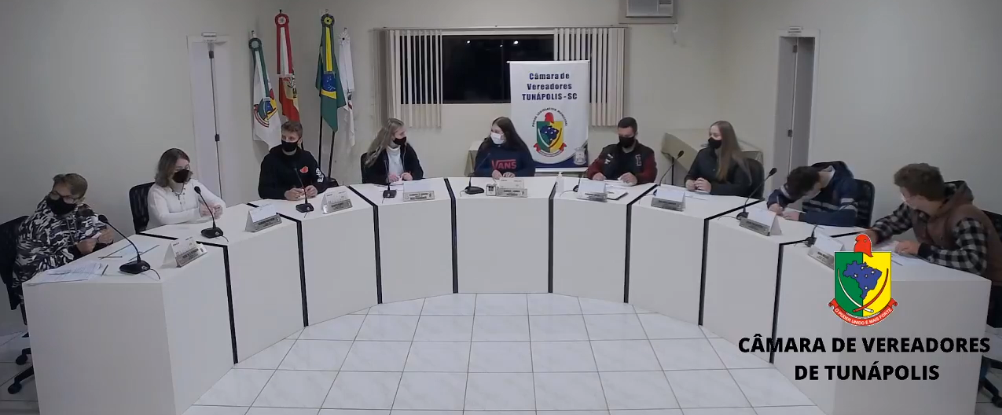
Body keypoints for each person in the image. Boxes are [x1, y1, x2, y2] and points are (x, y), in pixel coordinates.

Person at [864, 163, 1002, 282]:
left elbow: (973, 262)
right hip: (947, 277)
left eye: (904, 194)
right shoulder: (917, 207)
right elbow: (893, 222)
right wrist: (875, 233)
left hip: (987, 287)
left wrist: (922, 250)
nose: (903, 198)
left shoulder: (965, 217)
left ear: (919, 198)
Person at [13, 174, 114, 288]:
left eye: (67, 198)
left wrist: (103, 240)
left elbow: (94, 235)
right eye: (55, 194)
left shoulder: (82, 210)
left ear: (79, 200)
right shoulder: (34, 225)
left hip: (78, 279)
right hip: (37, 288)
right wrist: (75, 251)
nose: (58, 200)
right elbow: (31, 269)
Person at [147, 148, 225, 228]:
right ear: (166, 171)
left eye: (186, 168)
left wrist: (218, 208)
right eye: (178, 169)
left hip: (187, 229)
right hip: (160, 233)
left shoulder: (193, 184)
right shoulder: (156, 191)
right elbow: (163, 218)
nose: (184, 172)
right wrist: (196, 213)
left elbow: (218, 201)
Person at [766, 161, 858, 227]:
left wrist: (804, 217)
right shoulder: (805, 178)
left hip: (835, 235)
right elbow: (779, 194)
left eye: (805, 195)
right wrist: (774, 204)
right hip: (809, 229)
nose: (803, 197)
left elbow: (847, 217)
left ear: (817, 185)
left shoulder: (846, 184)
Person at [259, 121, 333, 200]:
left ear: (300, 140)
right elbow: (263, 190)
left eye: (291, 138)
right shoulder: (270, 159)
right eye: (283, 137)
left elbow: (321, 178)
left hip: (304, 200)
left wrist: (316, 188)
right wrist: (284, 194)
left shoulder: (306, 157)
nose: (286, 141)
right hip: (281, 202)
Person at [684, 121, 753, 196]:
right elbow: (691, 175)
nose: (711, 138)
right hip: (703, 197)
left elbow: (740, 189)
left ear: (726, 138)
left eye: (715, 135)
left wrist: (712, 188)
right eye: (710, 134)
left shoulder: (737, 159)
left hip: (726, 200)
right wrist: (689, 182)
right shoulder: (703, 153)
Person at [585, 117, 657, 185]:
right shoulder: (609, 151)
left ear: (635, 134)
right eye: (621, 136)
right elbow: (592, 168)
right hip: (610, 189)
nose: (624, 138)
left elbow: (651, 174)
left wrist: (637, 178)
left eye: (627, 136)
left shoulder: (646, 153)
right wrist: (594, 174)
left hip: (635, 190)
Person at [361, 118, 425, 184]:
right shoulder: (378, 153)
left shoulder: (407, 149)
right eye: (401, 134)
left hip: (404, 186)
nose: (404, 136)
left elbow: (419, 171)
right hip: (384, 188)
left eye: (404, 133)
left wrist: (412, 177)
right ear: (391, 136)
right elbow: (369, 178)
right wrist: (385, 179)